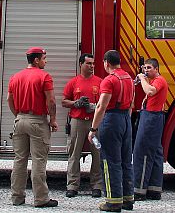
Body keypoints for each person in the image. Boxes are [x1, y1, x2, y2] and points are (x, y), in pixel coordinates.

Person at [7, 47, 59, 208]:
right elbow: (51, 101)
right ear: (36, 60)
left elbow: (10, 99)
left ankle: (17, 197)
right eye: (44, 58)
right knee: (38, 161)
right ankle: (41, 199)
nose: (46, 61)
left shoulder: (15, 77)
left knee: (19, 160)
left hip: (20, 119)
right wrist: (53, 120)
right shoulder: (44, 76)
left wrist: (18, 114)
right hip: (37, 121)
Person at [88, 50, 135, 212]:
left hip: (112, 120)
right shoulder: (128, 77)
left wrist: (93, 128)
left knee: (109, 161)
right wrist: (126, 120)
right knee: (125, 161)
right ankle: (128, 199)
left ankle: (113, 201)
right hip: (125, 119)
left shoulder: (109, 80)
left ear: (106, 62)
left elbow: (101, 106)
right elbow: (131, 104)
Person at [62, 54, 103, 198]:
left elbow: (105, 102)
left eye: (93, 64)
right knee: (74, 154)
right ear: (81, 64)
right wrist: (76, 103)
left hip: (94, 123)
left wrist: (94, 106)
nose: (92, 66)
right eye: (88, 64)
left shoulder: (100, 82)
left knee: (97, 154)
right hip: (77, 122)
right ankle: (72, 186)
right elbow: (64, 101)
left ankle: (97, 185)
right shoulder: (73, 82)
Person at [133, 58, 169, 201]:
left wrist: (142, 79)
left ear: (156, 69)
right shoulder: (154, 80)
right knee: (155, 152)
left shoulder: (158, 81)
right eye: (144, 68)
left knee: (142, 152)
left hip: (152, 118)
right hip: (153, 116)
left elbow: (150, 92)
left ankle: (139, 191)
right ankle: (154, 189)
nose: (146, 70)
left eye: (149, 68)